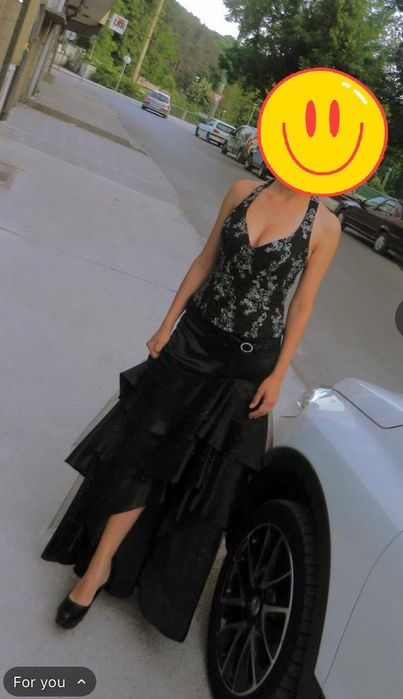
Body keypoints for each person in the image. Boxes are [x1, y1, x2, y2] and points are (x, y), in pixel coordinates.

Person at [40, 177, 341, 641]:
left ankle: (152, 578)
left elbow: (301, 305)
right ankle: (98, 568)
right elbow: (206, 259)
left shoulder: (324, 226)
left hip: (248, 363)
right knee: (146, 450)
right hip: (194, 338)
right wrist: (168, 323)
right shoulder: (243, 190)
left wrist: (279, 375)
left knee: (199, 476)